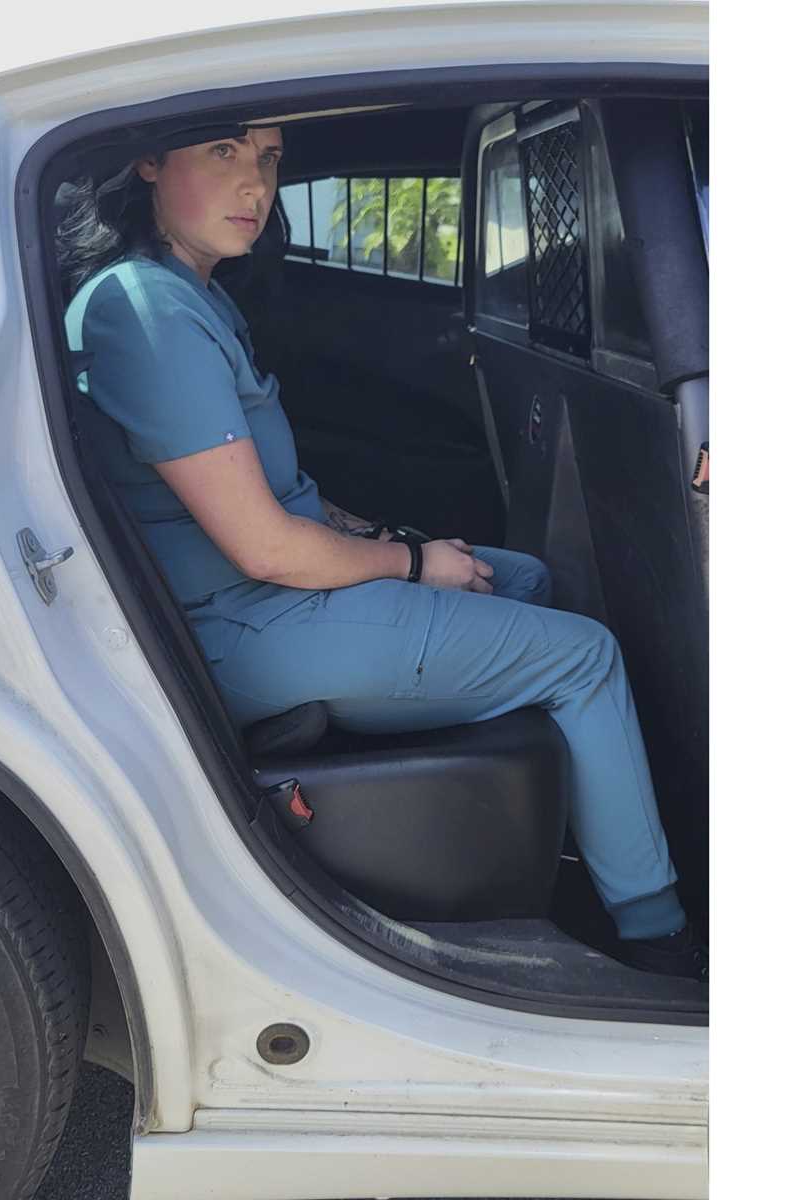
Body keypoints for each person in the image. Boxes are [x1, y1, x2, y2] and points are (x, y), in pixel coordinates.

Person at [58, 123, 706, 982]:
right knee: (585, 657)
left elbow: (283, 494)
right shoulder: (145, 312)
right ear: (150, 160)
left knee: (522, 578)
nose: (255, 184)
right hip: (244, 629)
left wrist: (393, 538)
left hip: (272, 601)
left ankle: (565, 830)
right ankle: (657, 936)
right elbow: (265, 547)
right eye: (224, 152)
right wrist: (415, 564)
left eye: (269, 157)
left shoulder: (190, 294)